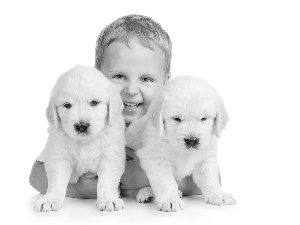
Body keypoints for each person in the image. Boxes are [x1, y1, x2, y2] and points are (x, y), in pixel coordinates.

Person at [29, 14, 201, 199]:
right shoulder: (87, 122)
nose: (131, 89)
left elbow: (206, 173)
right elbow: (36, 176)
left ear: (166, 83)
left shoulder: (172, 123)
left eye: (146, 79)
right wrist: (79, 189)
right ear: (97, 77)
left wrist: (148, 179)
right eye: (119, 76)